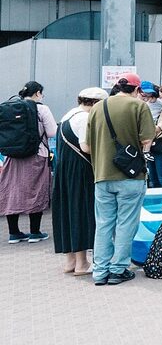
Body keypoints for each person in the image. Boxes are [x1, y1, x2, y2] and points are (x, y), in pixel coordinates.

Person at [86, 72, 156, 286]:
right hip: (130, 176)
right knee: (126, 223)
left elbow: (87, 146)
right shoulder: (139, 106)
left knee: (104, 224)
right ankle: (118, 270)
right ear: (137, 90)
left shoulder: (98, 107)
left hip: (102, 175)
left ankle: (99, 272)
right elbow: (147, 138)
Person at [51, 87, 108, 275]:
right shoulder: (84, 118)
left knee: (66, 213)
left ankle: (70, 261)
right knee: (81, 212)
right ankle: (82, 263)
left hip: (64, 171)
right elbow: (86, 147)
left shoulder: (68, 115)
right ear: (95, 103)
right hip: (80, 171)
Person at [0, 81, 57, 243]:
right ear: (38, 93)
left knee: (12, 191)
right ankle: (35, 232)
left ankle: (14, 233)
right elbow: (52, 132)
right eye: (42, 94)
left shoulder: (9, 107)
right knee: (36, 191)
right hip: (37, 155)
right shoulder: (42, 109)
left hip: (12, 156)